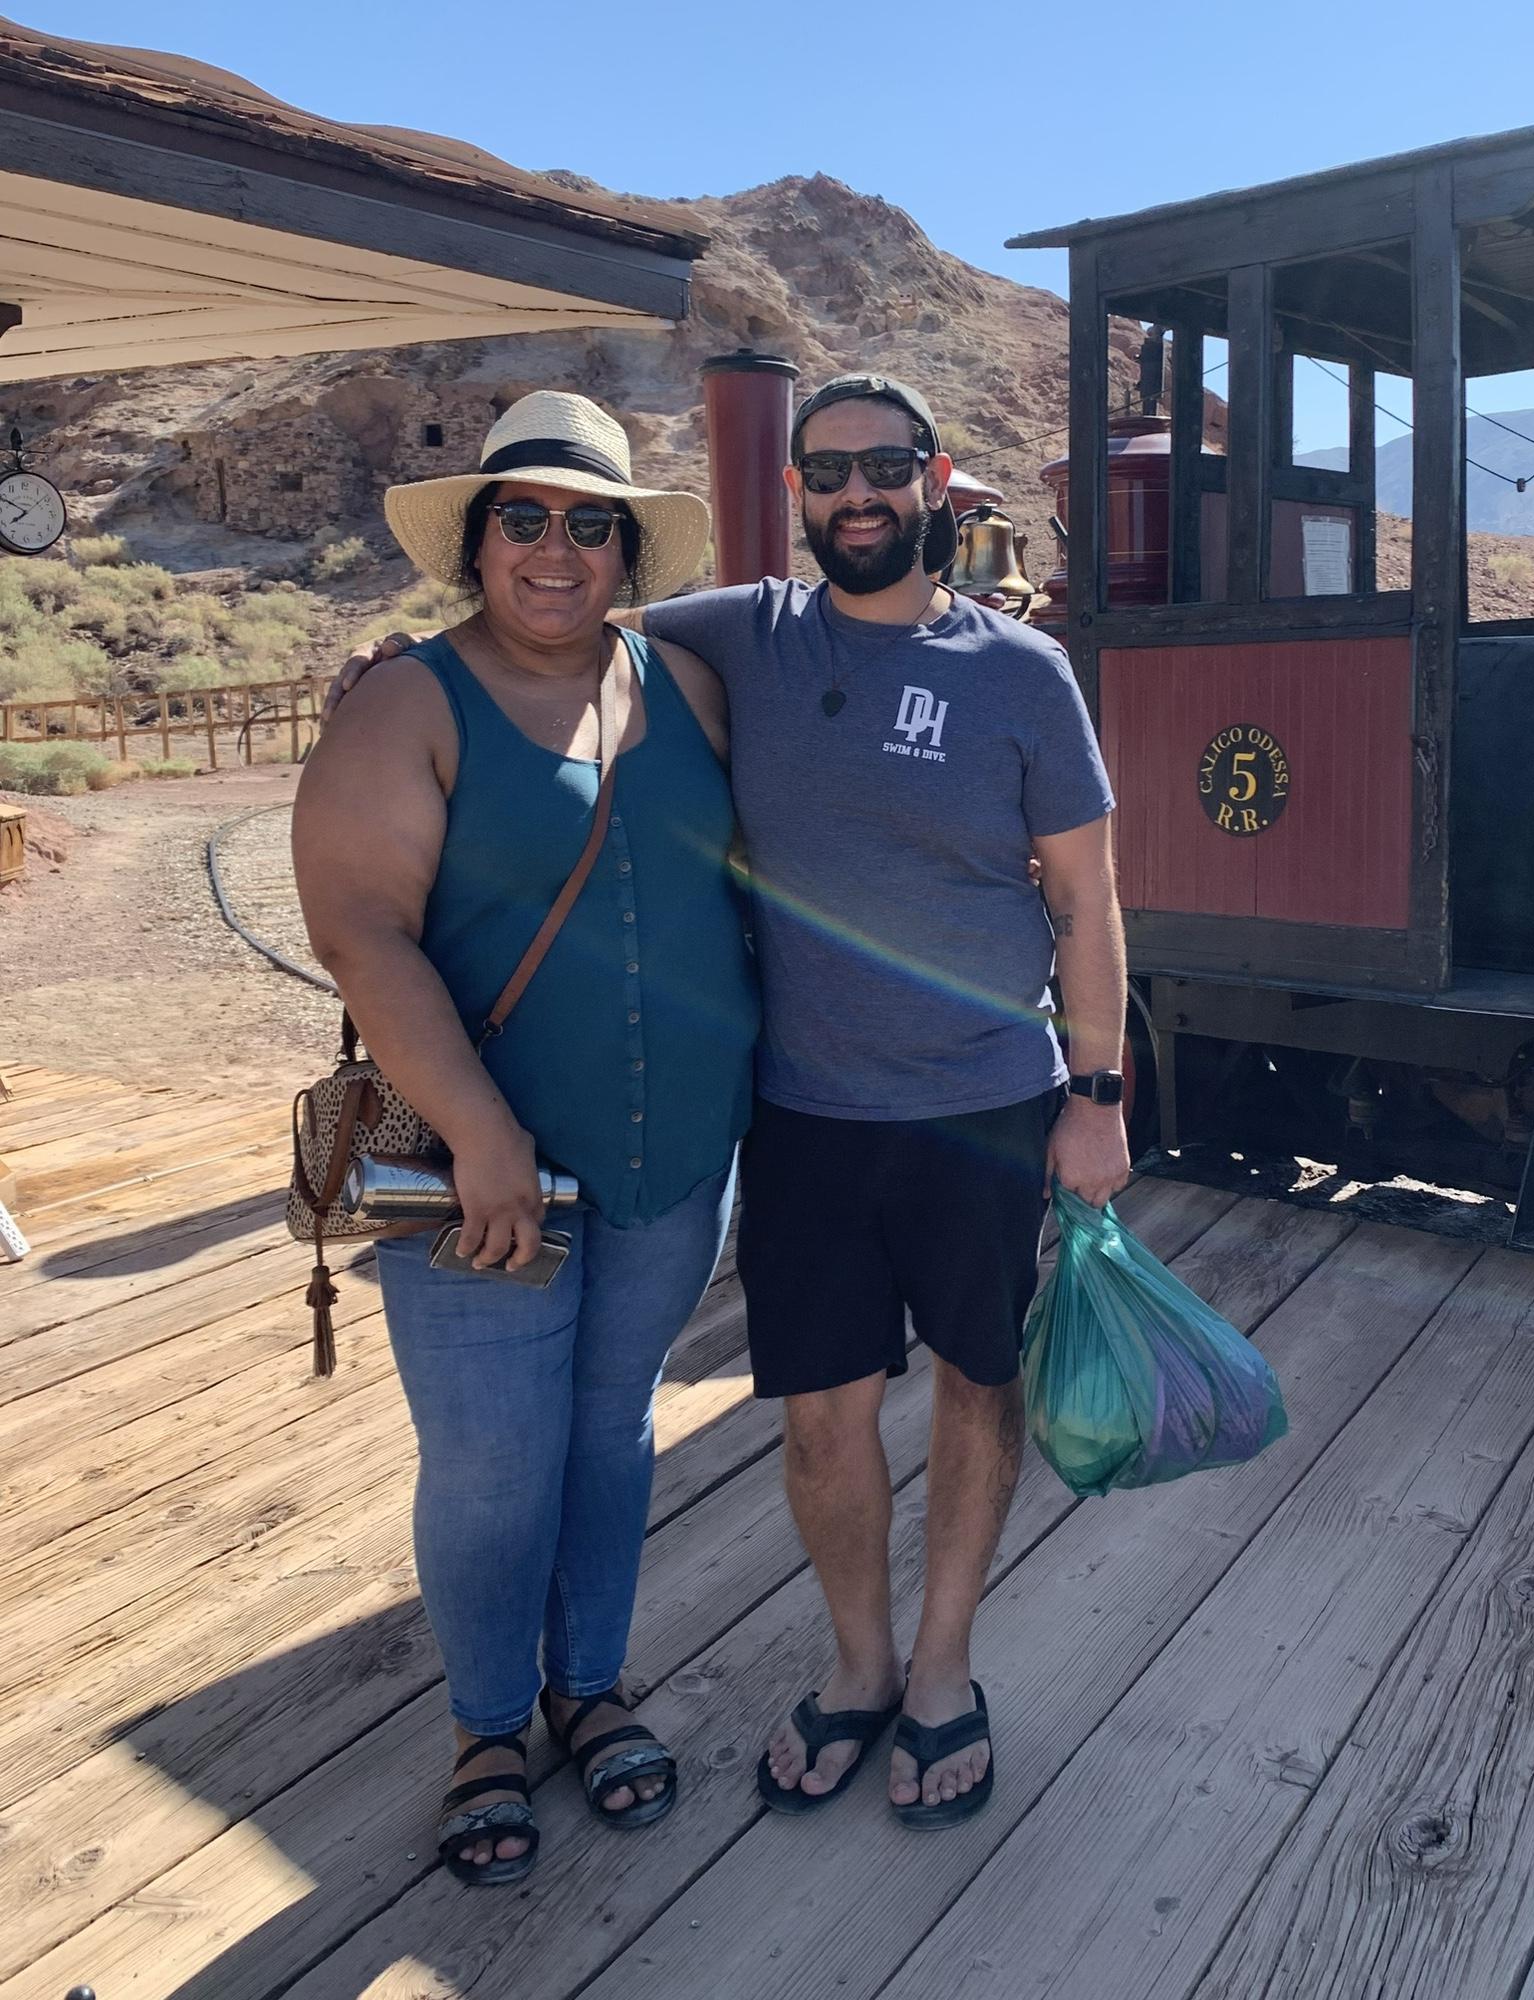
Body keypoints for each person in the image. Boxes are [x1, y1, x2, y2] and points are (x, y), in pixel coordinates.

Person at [334, 371, 1128, 1829]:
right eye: (827, 472)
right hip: (799, 1115)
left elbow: (1087, 897)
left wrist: (1099, 1093)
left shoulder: (1010, 673)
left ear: (936, 475)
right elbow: (539, 652)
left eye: (884, 465)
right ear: (797, 494)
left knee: (964, 1389)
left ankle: (939, 1671)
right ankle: (840, 1669)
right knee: (794, 1421)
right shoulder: (737, 639)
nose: (857, 493)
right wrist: (398, 662)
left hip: (970, 1105)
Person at [294, 391, 759, 1885]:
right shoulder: (406, 704)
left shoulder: (691, 686)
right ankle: (490, 1724)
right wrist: (478, 1128)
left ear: (626, 549)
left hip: (674, 1153)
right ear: (478, 540)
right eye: (524, 518)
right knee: (495, 1463)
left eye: (588, 524)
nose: (555, 549)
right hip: (476, 1173)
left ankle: (591, 1687)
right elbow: (361, 931)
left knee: (611, 1428)